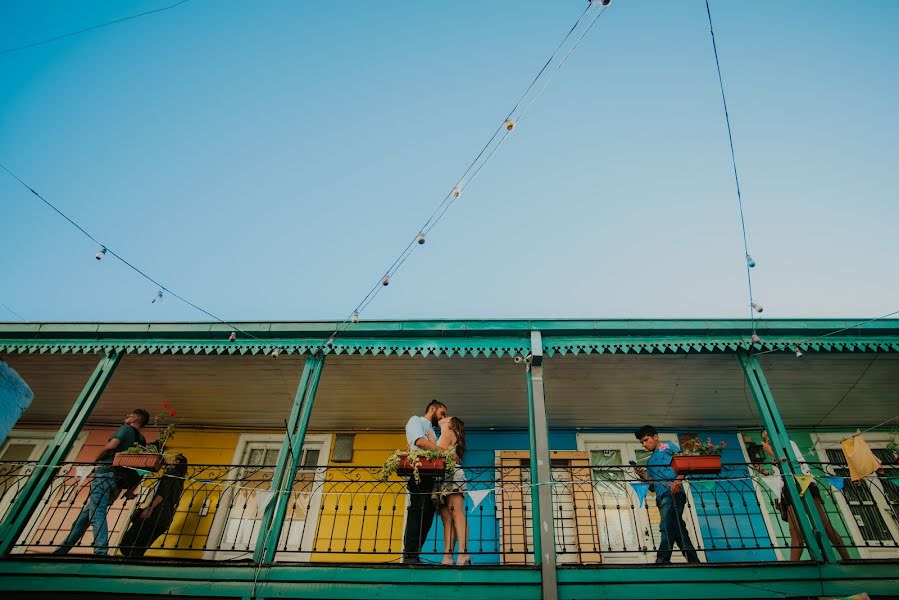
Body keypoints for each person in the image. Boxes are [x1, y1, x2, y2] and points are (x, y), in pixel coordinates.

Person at [54, 409, 150, 555]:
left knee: (96, 513)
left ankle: (101, 551)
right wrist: (131, 490)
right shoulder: (142, 441)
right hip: (118, 483)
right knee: (84, 518)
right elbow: (139, 468)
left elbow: (111, 446)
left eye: (128, 415)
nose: (126, 418)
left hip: (105, 474)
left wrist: (94, 461)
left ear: (134, 418)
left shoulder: (125, 429)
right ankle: (61, 551)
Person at [760, 429, 850, 561]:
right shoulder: (775, 458)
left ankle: (848, 560)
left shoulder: (789, 443)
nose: (767, 439)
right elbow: (780, 478)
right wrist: (764, 473)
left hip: (805, 485)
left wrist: (770, 451)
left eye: (768, 434)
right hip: (789, 492)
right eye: (764, 437)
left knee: (824, 526)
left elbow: (791, 464)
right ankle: (793, 569)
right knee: (795, 532)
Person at [633, 425, 700, 564]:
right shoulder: (649, 462)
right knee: (678, 528)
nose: (644, 444)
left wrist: (677, 481)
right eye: (642, 442)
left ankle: (662, 559)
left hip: (673, 493)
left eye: (646, 440)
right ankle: (694, 561)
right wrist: (642, 476)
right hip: (661, 497)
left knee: (665, 526)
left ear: (655, 437)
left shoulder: (668, 446)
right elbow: (652, 486)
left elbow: (684, 463)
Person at [402, 399, 447, 564]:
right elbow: (420, 442)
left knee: (427, 515)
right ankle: (409, 554)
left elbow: (431, 448)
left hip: (432, 477)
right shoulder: (415, 421)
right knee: (417, 510)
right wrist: (440, 451)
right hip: (419, 473)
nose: (443, 417)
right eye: (442, 413)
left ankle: (415, 554)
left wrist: (434, 447)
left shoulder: (433, 432)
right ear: (432, 408)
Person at [119, 454, 188, 557]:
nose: (167, 459)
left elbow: (162, 493)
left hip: (155, 515)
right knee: (139, 547)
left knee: (127, 543)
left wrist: (150, 508)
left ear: (177, 462)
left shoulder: (171, 474)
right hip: (165, 518)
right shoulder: (180, 479)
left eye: (171, 458)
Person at [436, 416, 469, 565]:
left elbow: (438, 453)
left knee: (455, 512)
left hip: (451, 475)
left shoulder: (448, 433)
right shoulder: (445, 434)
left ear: (451, 423)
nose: (443, 417)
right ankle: (449, 556)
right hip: (442, 477)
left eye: (447, 417)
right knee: (447, 517)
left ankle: (461, 554)